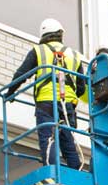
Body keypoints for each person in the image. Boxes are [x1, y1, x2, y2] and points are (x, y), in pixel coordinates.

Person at [10, 18, 86, 170]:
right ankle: (76, 170)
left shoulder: (38, 51)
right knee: (68, 140)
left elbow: (21, 74)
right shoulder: (74, 55)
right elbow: (81, 88)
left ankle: (50, 170)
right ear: (60, 34)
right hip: (68, 105)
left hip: (46, 103)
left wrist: (10, 92)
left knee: (48, 138)